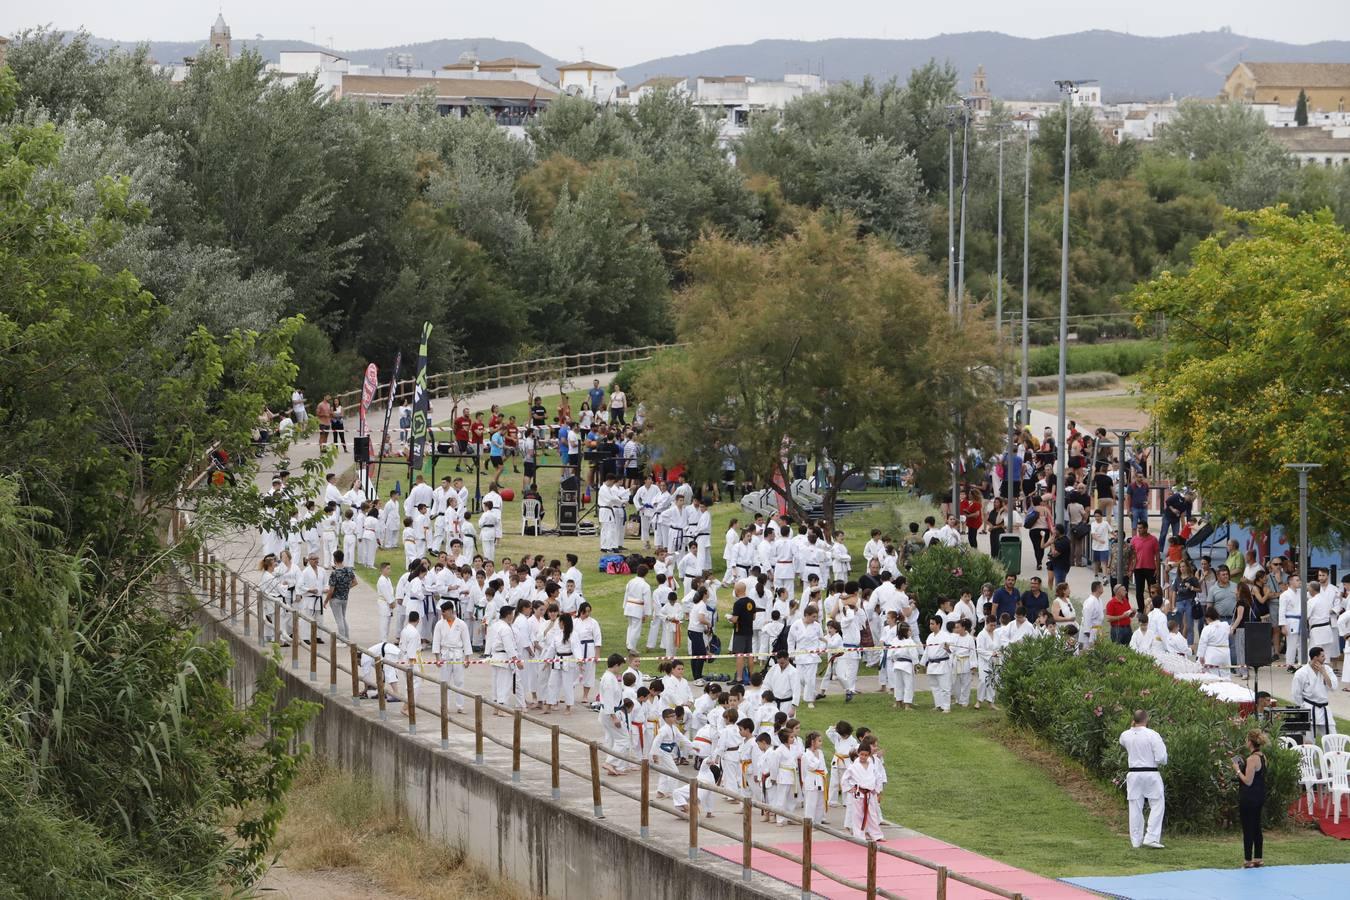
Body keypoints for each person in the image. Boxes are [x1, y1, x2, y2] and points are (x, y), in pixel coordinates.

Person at [1119, 709, 1168, 849]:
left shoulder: (1125, 735)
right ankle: (1151, 837)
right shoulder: (1153, 735)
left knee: (1135, 806)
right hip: (1151, 772)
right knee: (1157, 804)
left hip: (1134, 774)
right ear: (1147, 719)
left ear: (1133, 720)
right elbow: (1162, 758)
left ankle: (1136, 841)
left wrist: (1132, 727)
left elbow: (1123, 741)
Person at [1233, 729, 1268, 869]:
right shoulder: (1263, 757)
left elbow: (1248, 781)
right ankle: (1258, 857)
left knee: (1248, 828)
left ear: (1250, 742)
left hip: (1249, 798)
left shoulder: (1252, 759)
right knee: (1256, 827)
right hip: (1259, 796)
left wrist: (1237, 769)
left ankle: (1248, 859)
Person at [1291, 647, 1339, 739]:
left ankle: (1331, 753)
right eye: (1322, 656)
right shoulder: (1301, 673)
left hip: (1324, 709)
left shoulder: (1327, 669)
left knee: (1333, 738)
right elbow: (1296, 694)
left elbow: (1333, 687)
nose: (1325, 658)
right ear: (1315, 658)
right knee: (1308, 741)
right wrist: (1303, 707)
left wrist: (1323, 672)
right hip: (1309, 708)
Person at [432, 601, 471, 713]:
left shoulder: (461, 624)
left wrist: (467, 658)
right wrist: (437, 658)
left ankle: (460, 706)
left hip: (458, 655)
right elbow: (436, 642)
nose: (442, 614)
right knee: (444, 681)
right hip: (445, 655)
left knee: (459, 682)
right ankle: (444, 706)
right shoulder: (440, 624)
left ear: (450, 611)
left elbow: (466, 641)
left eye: (443, 612)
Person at [324, 549, 356, 641]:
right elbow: (355, 582)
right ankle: (346, 638)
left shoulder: (334, 574)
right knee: (343, 618)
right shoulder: (348, 570)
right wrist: (346, 587)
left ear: (334, 559)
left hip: (335, 599)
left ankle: (342, 640)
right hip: (345, 598)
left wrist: (326, 601)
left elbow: (331, 591)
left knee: (339, 620)